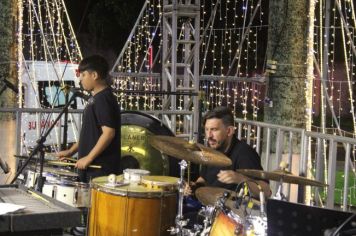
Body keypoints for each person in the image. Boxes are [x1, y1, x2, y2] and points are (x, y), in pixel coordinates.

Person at [56, 55, 121, 183]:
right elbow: (90, 135)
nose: (80, 79)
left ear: (94, 75)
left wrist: (89, 158)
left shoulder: (103, 99)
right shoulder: (95, 99)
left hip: (100, 169)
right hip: (91, 167)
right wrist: (71, 151)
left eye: (83, 75)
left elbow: (108, 134)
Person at [186, 106, 271, 200]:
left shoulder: (244, 153)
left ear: (229, 131)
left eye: (214, 130)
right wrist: (193, 186)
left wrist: (240, 179)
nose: (209, 135)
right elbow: (204, 179)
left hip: (232, 211)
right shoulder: (212, 150)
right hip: (210, 206)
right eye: (207, 129)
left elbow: (266, 191)